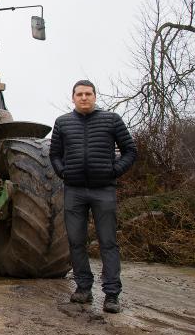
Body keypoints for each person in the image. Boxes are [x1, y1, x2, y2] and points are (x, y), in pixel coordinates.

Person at [49, 80, 137, 313]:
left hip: (103, 190)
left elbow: (130, 151)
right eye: (80, 94)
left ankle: (111, 295)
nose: (84, 97)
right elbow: (55, 154)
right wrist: (63, 172)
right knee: (76, 242)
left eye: (88, 94)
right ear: (73, 97)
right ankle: (83, 289)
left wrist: (114, 171)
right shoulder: (63, 123)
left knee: (108, 242)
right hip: (74, 191)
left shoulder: (111, 120)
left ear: (95, 96)